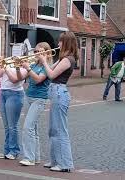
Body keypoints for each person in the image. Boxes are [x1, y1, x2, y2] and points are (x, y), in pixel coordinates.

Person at [40, 32, 78, 172]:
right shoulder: (63, 58)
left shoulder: (68, 59)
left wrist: (44, 61)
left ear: (66, 43)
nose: (58, 44)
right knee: (53, 129)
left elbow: (51, 75)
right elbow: (50, 69)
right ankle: (55, 160)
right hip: (56, 93)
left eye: (61, 42)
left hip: (59, 93)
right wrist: (42, 60)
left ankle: (65, 164)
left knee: (60, 130)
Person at [17, 42, 52, 166]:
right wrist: (17, 67)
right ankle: (35, 157)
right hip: (29, 97)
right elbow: (19, 78)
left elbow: (38, 80)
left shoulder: (47, 66)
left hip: (39, 99)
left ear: (47, 53)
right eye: (35, 51)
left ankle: (29, 158)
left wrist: (28, 68)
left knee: (27, 128)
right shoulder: (33, 64)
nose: (36, 53)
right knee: (34, 129)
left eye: (39, 51)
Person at [0, 52, 27, 160]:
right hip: (3, 93)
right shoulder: (9, 64)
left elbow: (14, 79)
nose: (14, 58)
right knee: (6, 126)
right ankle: (7, 150)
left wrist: (6, 67)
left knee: (13, 125)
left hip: (15, 94)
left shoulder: (24, 68)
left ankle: (14, 151)